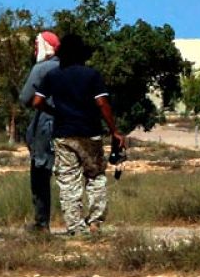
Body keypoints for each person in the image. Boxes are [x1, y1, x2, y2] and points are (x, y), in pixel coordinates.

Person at [31, 33, 125, 235]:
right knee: (95, 177)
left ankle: (75, 228)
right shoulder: (92, 75)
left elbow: (37, 102)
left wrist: (54, 112)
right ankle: (95, 222)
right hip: (90, 132)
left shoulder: (52, 76)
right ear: (83, 54)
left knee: (68, 181)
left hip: (63, 134)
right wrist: (114, 130)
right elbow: (102, 103)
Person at [17, 30, 60, 231]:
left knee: (41, 173)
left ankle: (42, 223)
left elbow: (25, 98)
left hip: (46, 125)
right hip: (73, 124)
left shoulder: (42, 68)